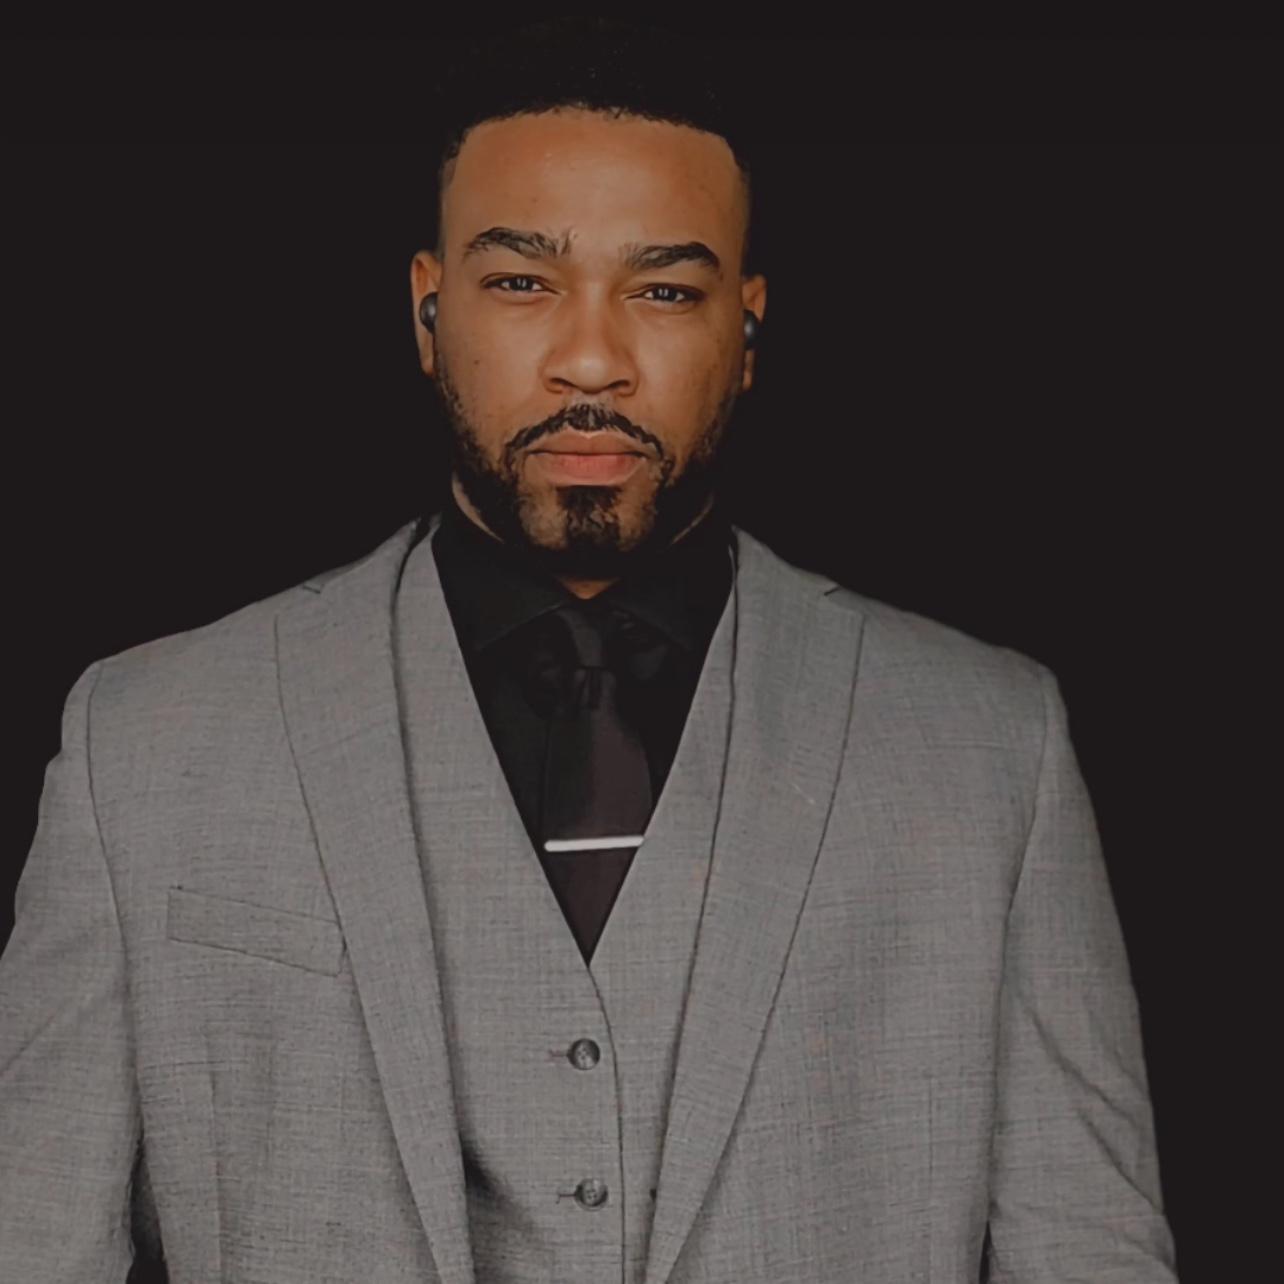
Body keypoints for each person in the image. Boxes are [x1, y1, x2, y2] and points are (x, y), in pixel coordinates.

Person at [0, 19, 1178, 1283]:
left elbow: (1089, 1252)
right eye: (523, 282)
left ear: (747, 329)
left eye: (664, 290)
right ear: (427, 310)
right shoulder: (144, 742)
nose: (591, 361)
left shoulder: (992, 748)